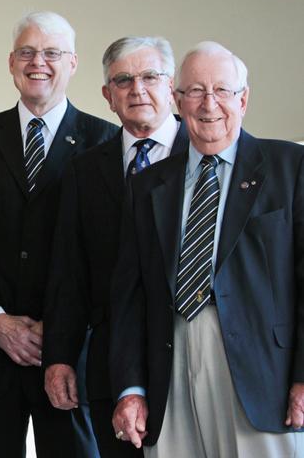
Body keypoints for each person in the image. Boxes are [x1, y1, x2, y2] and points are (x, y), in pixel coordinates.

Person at [110, 41, 304, 457]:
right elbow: (130, 295)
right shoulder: (148, 186)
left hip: (264, 377)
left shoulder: (291, 167)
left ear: (244, 99)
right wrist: (130, 388)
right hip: (170, 368)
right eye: (195, 91)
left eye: (222, 90)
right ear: (178, 101)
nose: (208, 103)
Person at [0, 11, 117, 458]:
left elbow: (108, 258)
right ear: (10, 62)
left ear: (74, 63)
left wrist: (61, 331)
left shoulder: (106, 143)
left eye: (51, 53)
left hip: (70, 360)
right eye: (26, 52)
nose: (37, 62)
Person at [43, 36, 188, 458]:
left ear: (171, 86)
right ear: (107, 96)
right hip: (110, 366)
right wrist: (59, 357)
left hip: (191, 357)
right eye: (122, 80)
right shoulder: (84, 170)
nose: (136, 89)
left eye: (149, 77)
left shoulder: (203, 155)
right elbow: (68, 273)